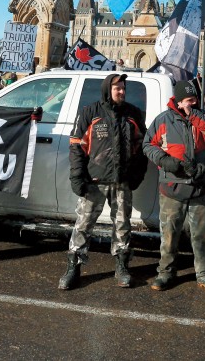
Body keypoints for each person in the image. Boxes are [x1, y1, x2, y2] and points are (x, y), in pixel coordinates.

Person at [58, 73, 148, 291]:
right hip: (94, 181)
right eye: (118, 88)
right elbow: (76, 146)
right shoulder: (90, 113)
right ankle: (74, 266)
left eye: (124, 88)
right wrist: (78, 177)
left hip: (122, 182)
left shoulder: (133, 114)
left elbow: (142, 148)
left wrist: (136, 175)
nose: (122, 92)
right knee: (83, 224)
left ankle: (122, 266)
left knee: (122, 225)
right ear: (108, 89)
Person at [143, 79, 205, 294]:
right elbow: (147, 145)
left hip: (199, 186)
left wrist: (193, 115)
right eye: (188, 100)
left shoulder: (201, 116)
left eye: (194, 99)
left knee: (202, 233)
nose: (193, 103)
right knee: (169, 234)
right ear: (178, 102)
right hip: (172, 187)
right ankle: (165, 272)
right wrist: (166, 161)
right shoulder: (163, 120)